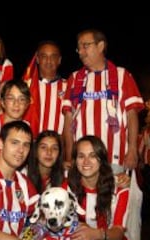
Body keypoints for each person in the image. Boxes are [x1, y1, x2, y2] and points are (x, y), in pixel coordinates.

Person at [62, 29, 145, 174]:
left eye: (85, 46)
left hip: (115, 158)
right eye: (78, 48)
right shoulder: (74, 78)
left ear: (100, 46)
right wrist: (70, 157)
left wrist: (132, 150)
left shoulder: (122, 75)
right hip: (83, 161)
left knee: (115, 196)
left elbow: (132, 115)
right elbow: (68, 122)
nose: (80, 52)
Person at [23, 40, 67, 139]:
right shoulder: (26, 86)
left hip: (58, 147)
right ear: (37, 59)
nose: (48, 61)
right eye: (44, 56)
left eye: (53, 56)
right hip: (30, 144)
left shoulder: (69, 87)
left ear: (59, 60)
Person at [27, 130, 64, 194]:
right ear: (35, 151)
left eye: (54, 148)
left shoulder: (65, 178)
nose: (49, 152)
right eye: (43, 147)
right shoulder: (22, 176)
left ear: (59, 154)